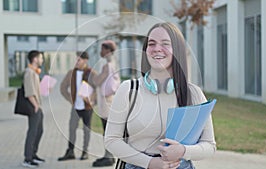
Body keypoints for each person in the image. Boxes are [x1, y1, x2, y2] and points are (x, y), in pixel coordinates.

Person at [104, 22, 216, 169]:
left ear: (177, 50)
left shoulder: (193, 93)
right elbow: (111, 140)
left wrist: (184, 151)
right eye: (151, 44)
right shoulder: (128, 90)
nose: (157, 49)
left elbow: (209, 145)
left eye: (165, 43)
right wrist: (150, 163)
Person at [58, 51, 96, 161]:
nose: (76, 62)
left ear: (85, 61)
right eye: (76, 60)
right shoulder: (71, 73)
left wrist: (91, 99)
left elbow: (98, 88)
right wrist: (71, 99)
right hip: (75, 107)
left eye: (78, 60)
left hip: (87, 108)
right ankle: (70, 151)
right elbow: (62, 87)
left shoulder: (91, 73)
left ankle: (85, 152)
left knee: (86, 130)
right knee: (72, 128)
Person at [92, 40, 120, 167]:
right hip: (111, 101)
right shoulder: (114, 63)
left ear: (108, 50)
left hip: (106, 104)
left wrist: (94, 77)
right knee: (108, 130)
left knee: (107, 130)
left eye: (102, 49)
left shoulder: (107, 66)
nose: (100, 52)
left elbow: (97, 81)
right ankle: (109, 155)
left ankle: (108, 156)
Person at [22, 50, 45, 168]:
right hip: (34, 106)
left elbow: (36, 89)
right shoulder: (29, 72)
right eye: (40, 58)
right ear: (35, 59)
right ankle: (28, 158)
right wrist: (36, 106)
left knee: (39, 130)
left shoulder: (34, 72)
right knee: (32, 132)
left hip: (38, 106)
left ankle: (33, 154)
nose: (42, 60)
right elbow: (29, 92)